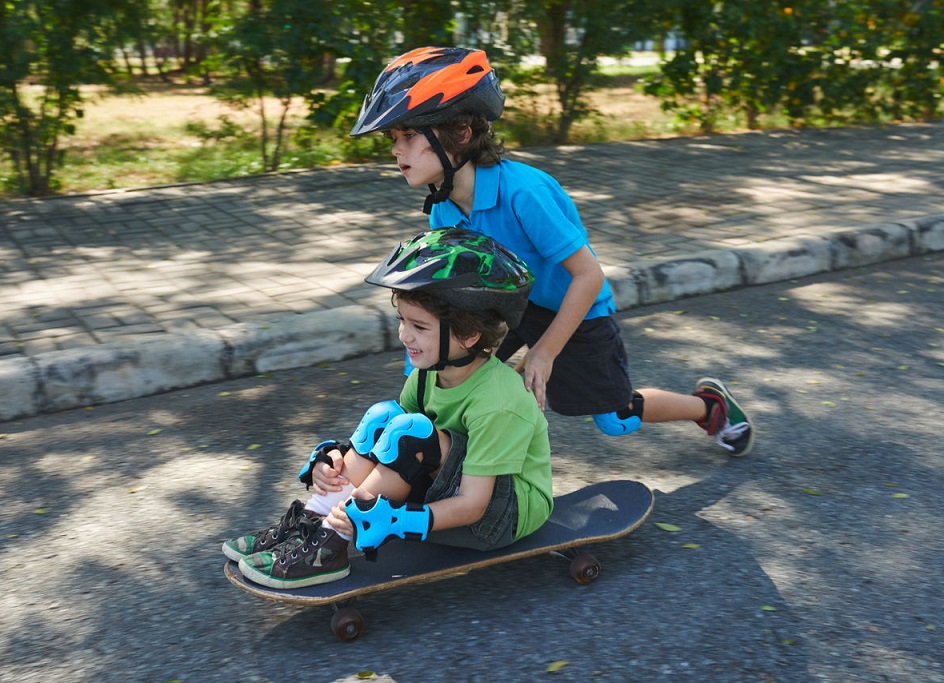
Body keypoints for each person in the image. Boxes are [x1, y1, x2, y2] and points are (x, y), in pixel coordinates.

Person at [349, 46, 754, 457]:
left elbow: (589, 275)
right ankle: (444, 465)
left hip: (573, 307)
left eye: (409, 136)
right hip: (511, 304)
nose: (396, 150)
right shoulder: (444, 206)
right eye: (393, 138)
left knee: (616, 418)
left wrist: (542, 352)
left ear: (461, 133)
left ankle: (710, 407)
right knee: (446, 373)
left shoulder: (525, 192)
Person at [222, 227, 553, 589]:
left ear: (470, 335)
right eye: (402, 321)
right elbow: (389, 449)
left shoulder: (499, 403)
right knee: (385, 417)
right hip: (452, 496)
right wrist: (335, 468)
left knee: (412, 434)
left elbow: (473, 505)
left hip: (499, 518)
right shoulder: (428, 375)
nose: (404, 335)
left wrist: (398, 521)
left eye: (419, 326)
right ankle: (314, 521)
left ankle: (332, 543)